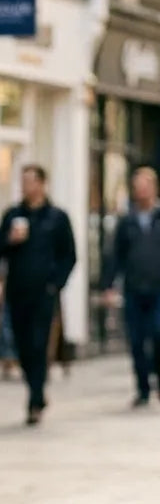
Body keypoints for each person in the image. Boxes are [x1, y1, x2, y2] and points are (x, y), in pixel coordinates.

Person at [0, 165, 76, 425]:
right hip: (18, 291)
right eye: (23, 181)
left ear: (42, 184)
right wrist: (10, 240)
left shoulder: (57, 217)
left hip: (44, 293)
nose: (26, 186)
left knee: (39, 344)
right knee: (23, 345)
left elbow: (69, 255)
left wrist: (56, 284)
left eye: (30, 181)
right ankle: (35, 390)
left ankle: (35, 398)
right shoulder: (13, 215)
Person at [103, 165, 160, 406]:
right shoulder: (127, 222)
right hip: (134, 288)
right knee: (136, 340)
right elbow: (115, 255)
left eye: (146, 186)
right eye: (138, 187)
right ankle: (143, 388)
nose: (142, 191)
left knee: (157, 333)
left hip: (158, 289)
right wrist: (109, 285)